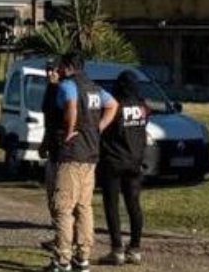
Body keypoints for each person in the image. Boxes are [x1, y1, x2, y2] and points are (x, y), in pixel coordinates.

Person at [49, 54, 119, 272]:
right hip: (90, 154)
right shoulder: (95, 88)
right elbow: (113, 105)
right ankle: (83, 257)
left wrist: (68, 131)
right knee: (84, 207)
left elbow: (71, 105)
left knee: (63, 207)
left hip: (71, 155)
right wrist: (98, 128)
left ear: (68, 67)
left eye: (61, 66)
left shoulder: (68, 85)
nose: (58, 70)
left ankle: (62, 260)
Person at [97, 71, 149, 265]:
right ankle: (135, 248)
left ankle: (117, 249)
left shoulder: (115, 105)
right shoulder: (143, 107)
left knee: (112, 205)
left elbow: (104, 128)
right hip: (135, 161)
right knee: (134, 204)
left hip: (113, 160)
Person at [38, 61, 63, 253]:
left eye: (53, 70)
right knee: (51, 197)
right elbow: (49, 122)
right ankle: (59, 235)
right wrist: (44, 142)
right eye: (47, 70)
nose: (49, 74)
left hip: (65, 152)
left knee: (61, 198)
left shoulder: (65, 91)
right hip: (52, 149)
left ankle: (65, 240)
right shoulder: (50, 90)